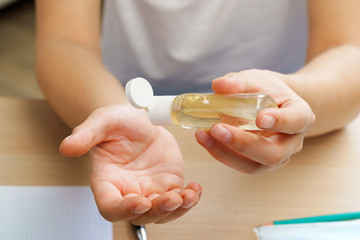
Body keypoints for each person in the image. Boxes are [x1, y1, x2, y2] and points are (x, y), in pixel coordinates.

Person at [35, 0, 360, 225]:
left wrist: (297, 102)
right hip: (114, 95)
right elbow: (63, 43)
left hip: (292, 121)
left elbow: (348, 52)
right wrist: (111, 108)